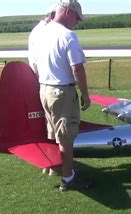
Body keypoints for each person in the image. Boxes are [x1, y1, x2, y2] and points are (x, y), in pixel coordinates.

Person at [33, 0, 91, 191]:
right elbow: (77, 68)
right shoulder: (68, 36)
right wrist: (85, 94)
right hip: (62, 92)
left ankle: (57, 168)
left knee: (54, 132)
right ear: (66, 11)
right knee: (66, 137)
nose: (78, 21)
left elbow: (34, 63)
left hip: (45, 90)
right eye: (76, 16)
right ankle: (68, 179)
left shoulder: (42, 32)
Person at [28, 3, 58, 74]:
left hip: (39, 74)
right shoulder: (44, 30)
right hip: (43, 75)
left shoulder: (38, 29)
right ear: (52, 16)